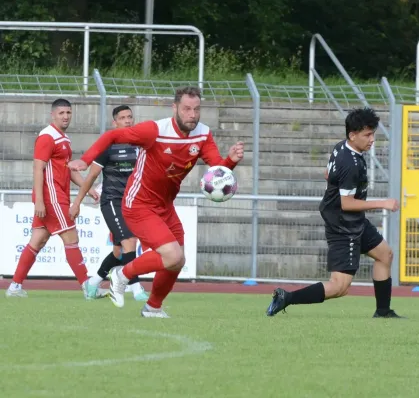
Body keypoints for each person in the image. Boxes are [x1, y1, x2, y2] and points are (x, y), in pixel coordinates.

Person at [68, 86, 245, 318]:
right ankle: (121, 275)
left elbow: (218, 171)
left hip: (165, 206)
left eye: (196, 109)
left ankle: (152, 307)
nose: (192, 114)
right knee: (172, 255)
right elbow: (112, 136)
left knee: (177, 261)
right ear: (175, 108)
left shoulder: (203, 134)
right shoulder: (155, 130)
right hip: (138, 204)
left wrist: (230, 161)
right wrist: (85, 159)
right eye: (186, 109)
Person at [266, 107, 404, 318]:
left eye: (373, 133)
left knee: (385, 254)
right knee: (340, 287)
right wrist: (383, 203)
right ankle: (287, 297)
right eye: (367, 134)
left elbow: (328, 173)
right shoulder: (350, 163)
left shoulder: (343, 148)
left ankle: (383, 312)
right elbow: (347, 203)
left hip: (353, 220)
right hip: (343, 226)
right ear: (353, 135)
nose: (372, 139)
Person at [5, 98, 105, 300]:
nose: (66, 116)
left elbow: (68, 170)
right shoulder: (47, 136)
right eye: (61, 113)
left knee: (38, 241)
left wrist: (89, 188)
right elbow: (37, 168)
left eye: (68, 112)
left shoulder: (64, 139)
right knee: (71, 237)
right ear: (53, 115)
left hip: (56, 195)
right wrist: (40, 201)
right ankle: (87, 287)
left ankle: (14, 286)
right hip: (51, 197)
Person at [69, 105, 149, 302]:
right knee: (130, 242)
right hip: (112, 201)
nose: (128, 120)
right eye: (123, 118)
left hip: (132, 203)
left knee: (119, 252)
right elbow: (91, 176)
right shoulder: (108, 146)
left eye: (130, 117)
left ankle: (93, 283)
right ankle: (136, 289)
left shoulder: (140, 146)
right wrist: (77, 202)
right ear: (115, 123)